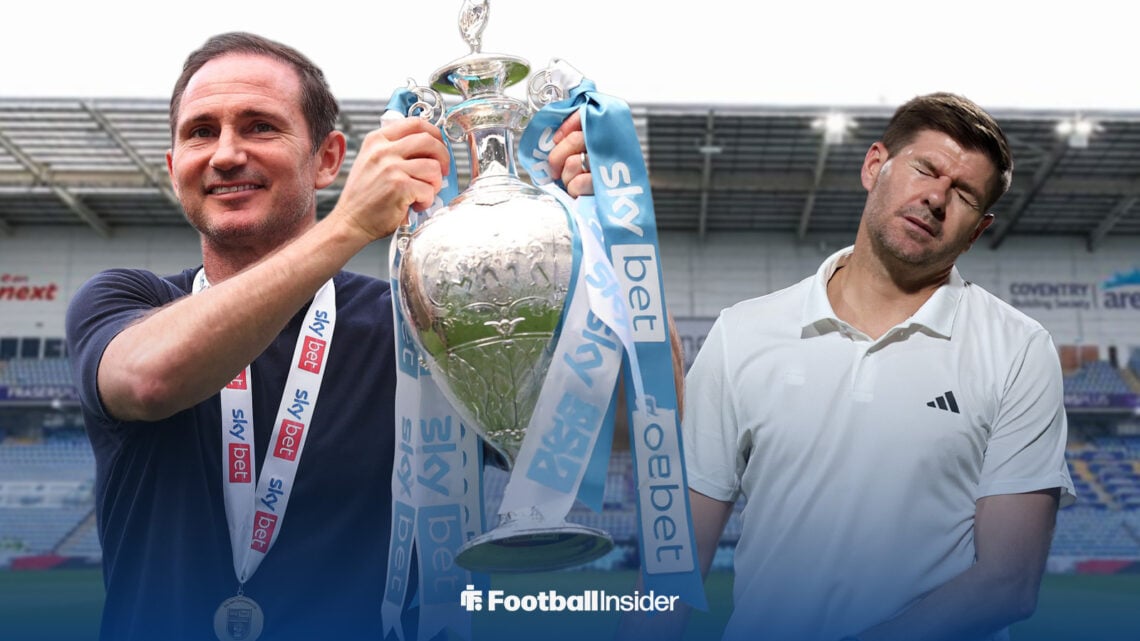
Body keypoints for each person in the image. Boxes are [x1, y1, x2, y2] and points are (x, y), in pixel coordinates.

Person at [65, 32, 591, 641]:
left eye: (260, 126)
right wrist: (349, 224)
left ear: (328, 158)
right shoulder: (126, 301)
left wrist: (599, 249)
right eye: (200, 132)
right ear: (173, 165)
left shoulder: (415, 319)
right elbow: (150, 379)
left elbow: (623, 427)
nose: (226, 153)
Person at [677, 93, 1075, 641]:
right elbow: (674, 568)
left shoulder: (1019, 349)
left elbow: (1009, 580)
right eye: (925, 169)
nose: (936, 197)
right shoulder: (741, 332)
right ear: (874, 167)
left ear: (978, 230)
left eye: (962, 194)